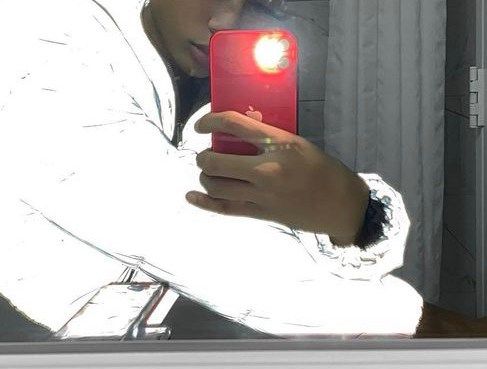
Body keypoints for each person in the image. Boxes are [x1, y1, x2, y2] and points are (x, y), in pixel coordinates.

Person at [0, 0, 424, 339]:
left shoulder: (208, 85)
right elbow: (208, 251)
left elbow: (271, 230)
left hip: (129, 356)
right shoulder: (42, 35)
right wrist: (427, 327)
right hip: (32, 367)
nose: (226, 19)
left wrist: (358, 217)